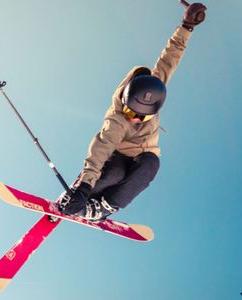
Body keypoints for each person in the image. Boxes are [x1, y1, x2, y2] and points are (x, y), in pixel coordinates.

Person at [60, 2, 207, 222]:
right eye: (132, 112)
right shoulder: (118, 119)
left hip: (143, 156)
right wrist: (83, 187)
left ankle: (103, 208)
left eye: (142, 116)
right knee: (113, 174)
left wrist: (187, 25)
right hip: (117, 155)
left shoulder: (156, 84)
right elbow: (101, 148)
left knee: (151, 165)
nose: (136, 118)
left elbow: (170, 56)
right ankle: (80, 195)